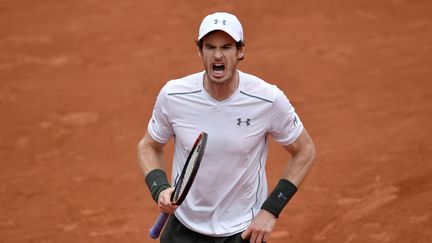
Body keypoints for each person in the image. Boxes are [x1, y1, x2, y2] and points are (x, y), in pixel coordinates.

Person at [137, 12, 316, 243]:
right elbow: (148, 146)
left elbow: (305, 150)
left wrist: (271, 209)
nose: (218, 55)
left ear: (240, 52)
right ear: (200, 51)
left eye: (227, 47)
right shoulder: (174, 95)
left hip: (241, 232)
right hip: (182, 229)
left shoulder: (267, 99)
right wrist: (159, 188)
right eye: (210, 47)